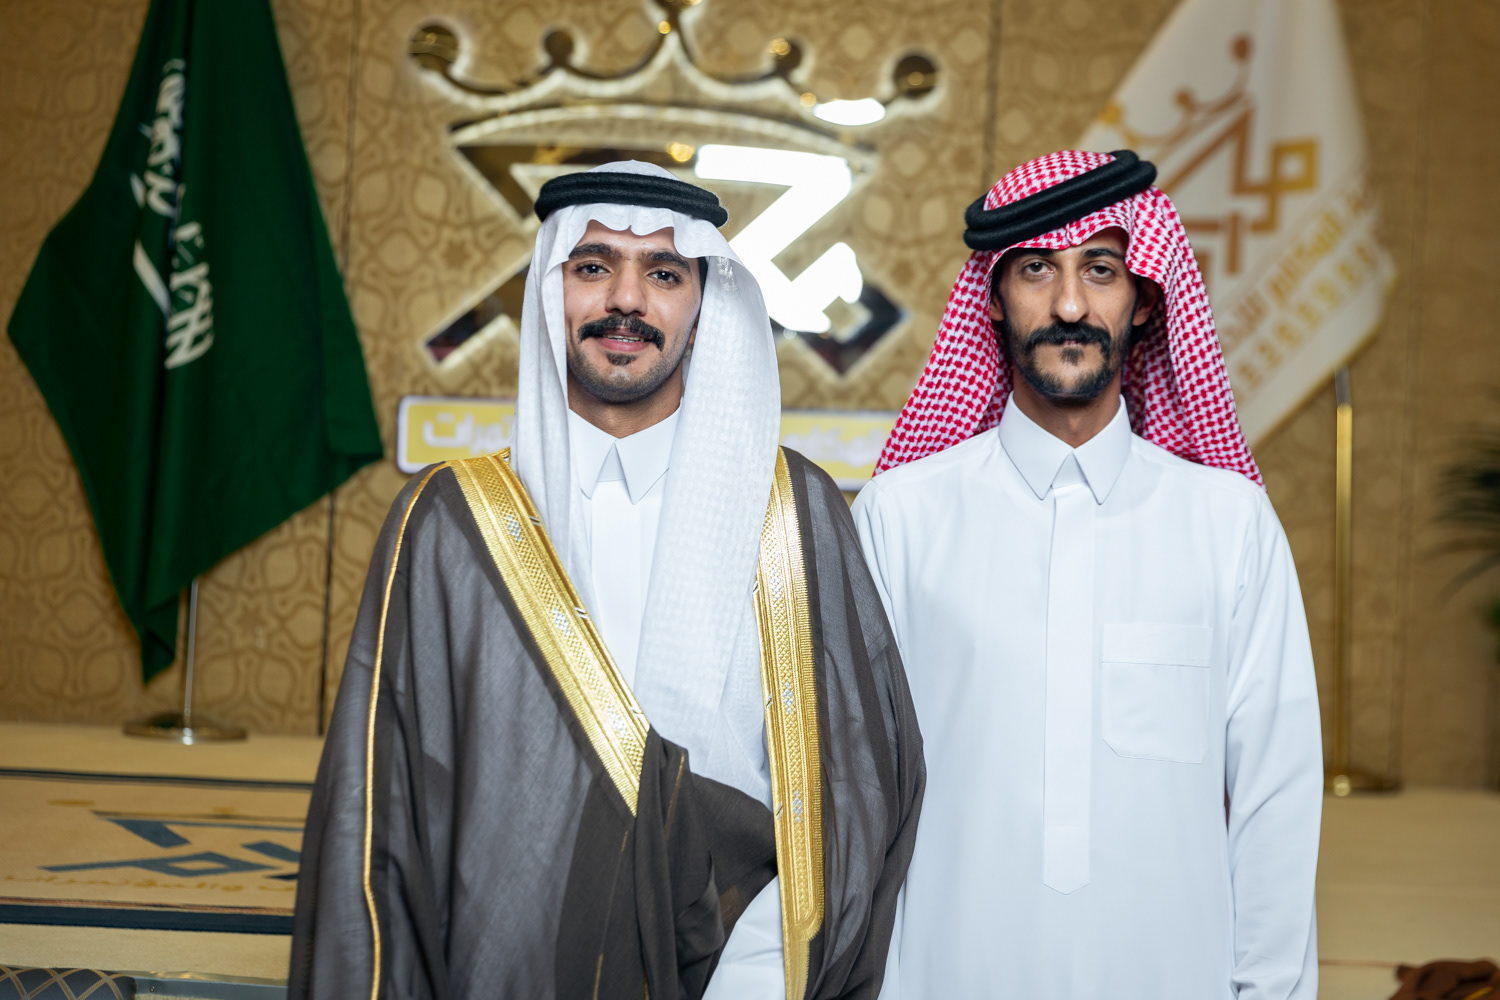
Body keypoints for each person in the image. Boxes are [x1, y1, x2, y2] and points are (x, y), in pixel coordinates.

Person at [289, 161, 923, 1000]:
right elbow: (382, 805)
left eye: (663, 274)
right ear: (551, 290)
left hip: (742, 977)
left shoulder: (793, 513)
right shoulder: (451, 522)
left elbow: (853, 792)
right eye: (593, 267)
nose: (626, 300)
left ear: (704, 306)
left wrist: (757, 983)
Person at [853, 150, 1321, 999]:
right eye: (1037, 270)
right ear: (994, 299)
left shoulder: (1229, 525)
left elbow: (1275, 799)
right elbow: (850, 796)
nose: (1070, 305)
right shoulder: (900, 518)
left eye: (1100, 269)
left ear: (1144, 299)